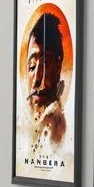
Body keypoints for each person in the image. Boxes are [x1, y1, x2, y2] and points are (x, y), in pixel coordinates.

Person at [23, 9, 69, 151]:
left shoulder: (59, 124)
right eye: (32, 66)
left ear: (58, 66)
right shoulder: (24, 125)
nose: (37, 79)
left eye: (45, 63)